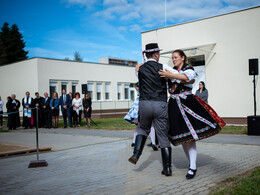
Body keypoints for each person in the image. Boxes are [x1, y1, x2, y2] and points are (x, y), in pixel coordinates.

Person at [159, 49, 226, 179]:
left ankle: (193, 167)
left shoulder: (188, 69)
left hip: (187, 102)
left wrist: (171, 75)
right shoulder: (170, 70)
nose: (174, 59)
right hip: (173, 105)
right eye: (172, 58)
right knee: (183, 138)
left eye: (176, 57)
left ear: (183, 58)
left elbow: (187, 79)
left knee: (190, 137)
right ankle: (191, 163)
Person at [128, 43, 175, 176]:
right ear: (155, 54)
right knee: (163, 136)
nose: (159, 55)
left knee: (143, 129)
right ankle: (167, 168)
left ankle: (136, 154)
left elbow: (139, 79)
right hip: (160, 104)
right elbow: (176, 75)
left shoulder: (139, 70)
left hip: (144, 104)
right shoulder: (163, 67)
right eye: (159, 53)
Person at [124, 82, 158, 151]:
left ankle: (134, 141)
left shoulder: (140, 92)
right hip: (147, 106)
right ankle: (154, 143)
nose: (136, 88)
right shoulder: (148, 89)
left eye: (136, 87)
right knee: (151, 126)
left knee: (139, 126)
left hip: (139, 108)